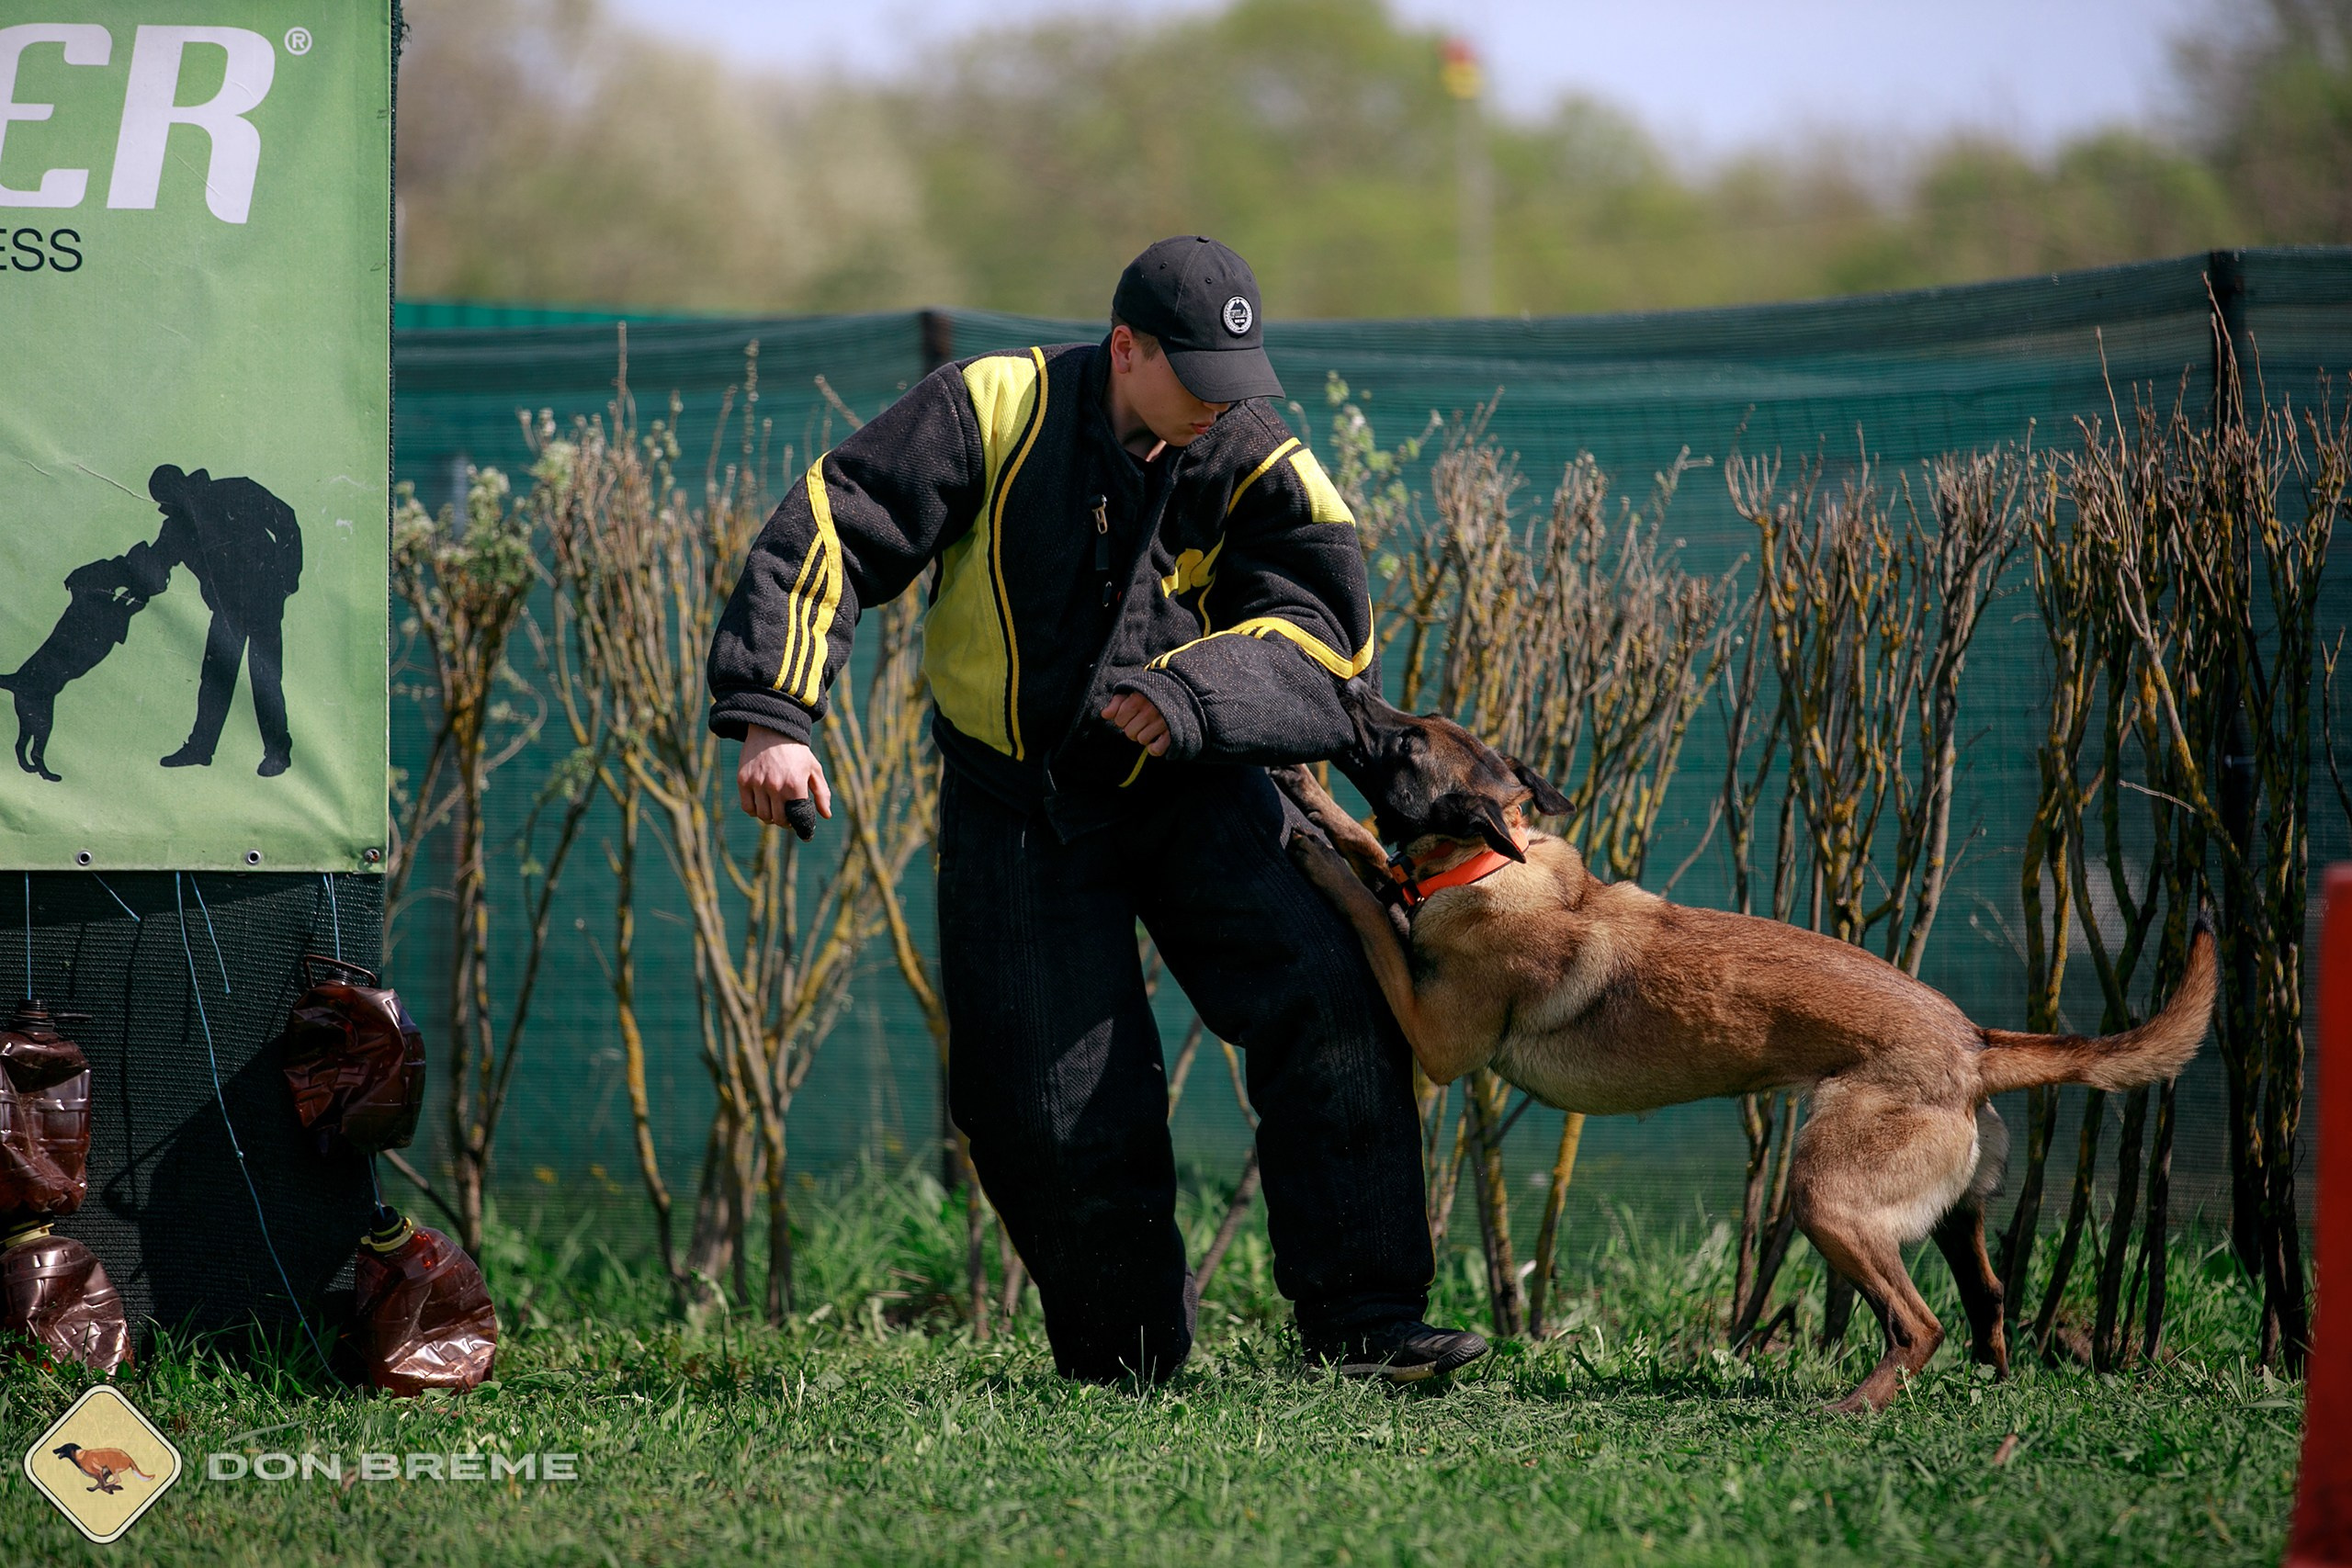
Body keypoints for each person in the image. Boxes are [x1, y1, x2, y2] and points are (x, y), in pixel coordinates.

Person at [707, 237, 1485, 1384]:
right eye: (1201, 382)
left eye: (1239, 383)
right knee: (1048, 1103)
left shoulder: (1251, 444)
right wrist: (777, 715)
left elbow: (1327, 632)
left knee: (1334, 996)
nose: (1224, 408)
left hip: (1201, 783)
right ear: (1126, 350)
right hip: (1013, 801)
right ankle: (1128, 1366)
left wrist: (1191, 699)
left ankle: (1367, 1325)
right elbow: (836, 521)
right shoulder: (992, 407)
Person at [144, 464, 302, 776]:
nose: (176, 502)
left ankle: (277, 753)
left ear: (186, 482)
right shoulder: (177, 527)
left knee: (264, 676)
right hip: (227, 610)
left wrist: (288, 578)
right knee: (215, 678)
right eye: (169, 500)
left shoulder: (236, 491)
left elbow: (286, 520)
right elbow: (156, 564)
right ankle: (201, 749)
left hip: (264, 600)